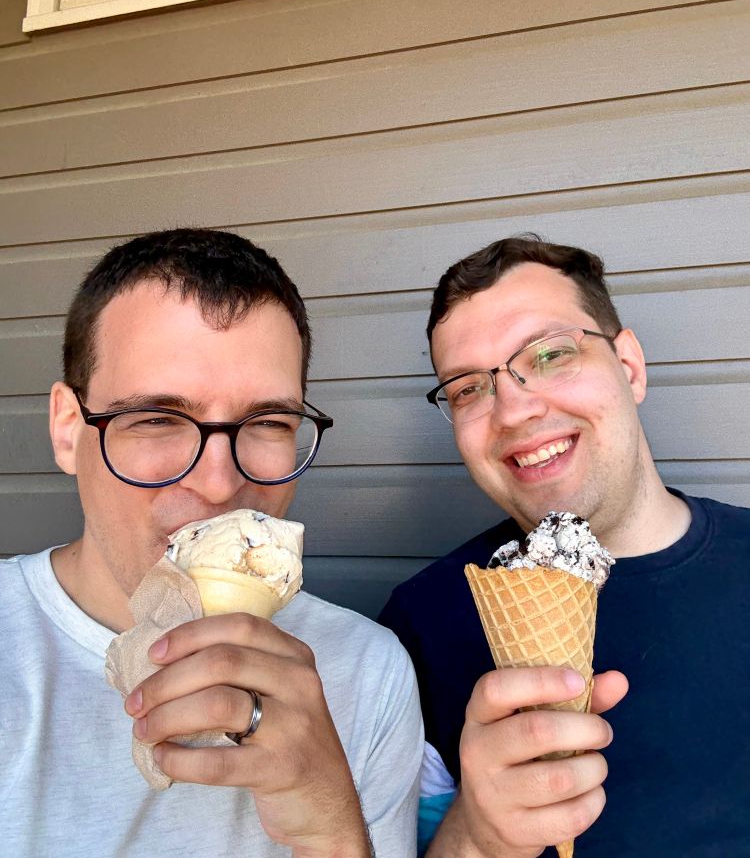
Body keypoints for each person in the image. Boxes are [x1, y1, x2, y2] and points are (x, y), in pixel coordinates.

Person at [2, 228, 422, 858]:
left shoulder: (369, 673)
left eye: (269, 422)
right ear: (69, 431)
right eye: (156, 419)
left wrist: (330, 831)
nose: (221, 483)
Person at [379, 234, 750, 857]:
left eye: (551, 354)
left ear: (629, 367)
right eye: (468, 387)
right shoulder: (418, 627)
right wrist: (478, 835)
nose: (514, 409)